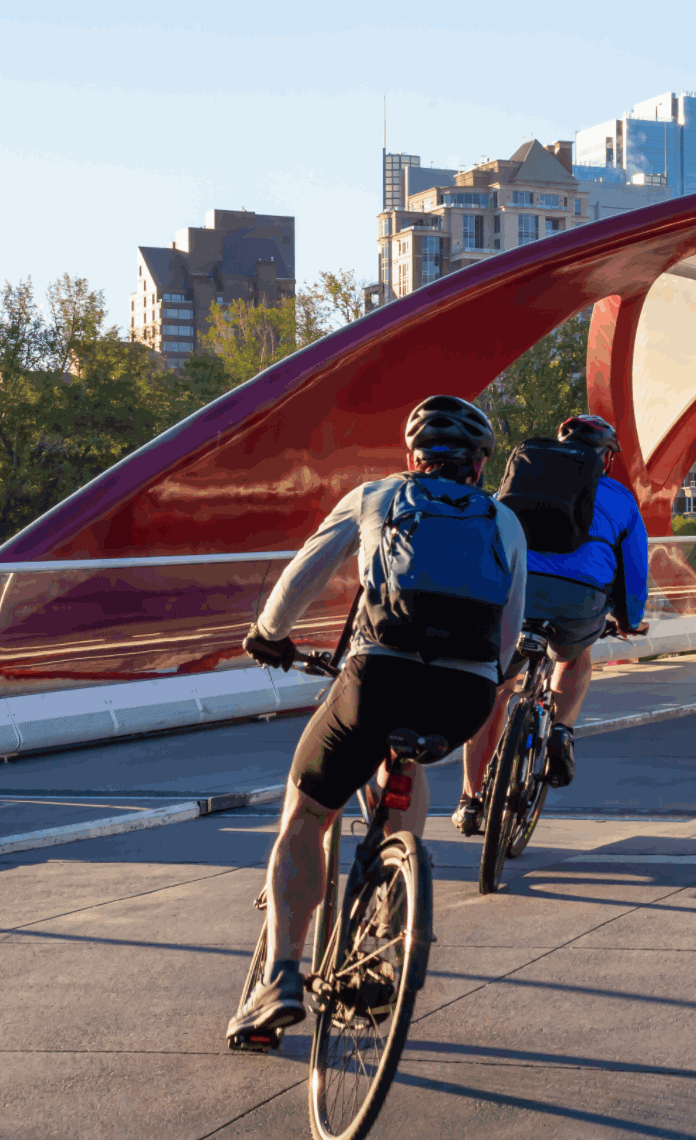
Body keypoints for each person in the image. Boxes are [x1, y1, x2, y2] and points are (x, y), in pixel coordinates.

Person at [226, 395, 526, 1046]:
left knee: (307, 813)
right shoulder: (503, 522)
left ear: (411, 457)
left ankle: (280, 977)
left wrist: (270, 634)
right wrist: (482, 676)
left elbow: (304, 573)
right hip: (464, 699)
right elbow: (507, 643)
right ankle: (389, 920)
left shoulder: (377, 497)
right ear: (479, 466)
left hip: (377, 678)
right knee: (408, 759)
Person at [453, 413, 648, 829]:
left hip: (514, 589)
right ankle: (561, 730)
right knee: (575, 655)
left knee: (497, 690)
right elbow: (634, 571)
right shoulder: (618, 496)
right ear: (605, 458)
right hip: (579, 598)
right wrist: (630, 619)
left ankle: (471, 801)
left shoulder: (523, 478)